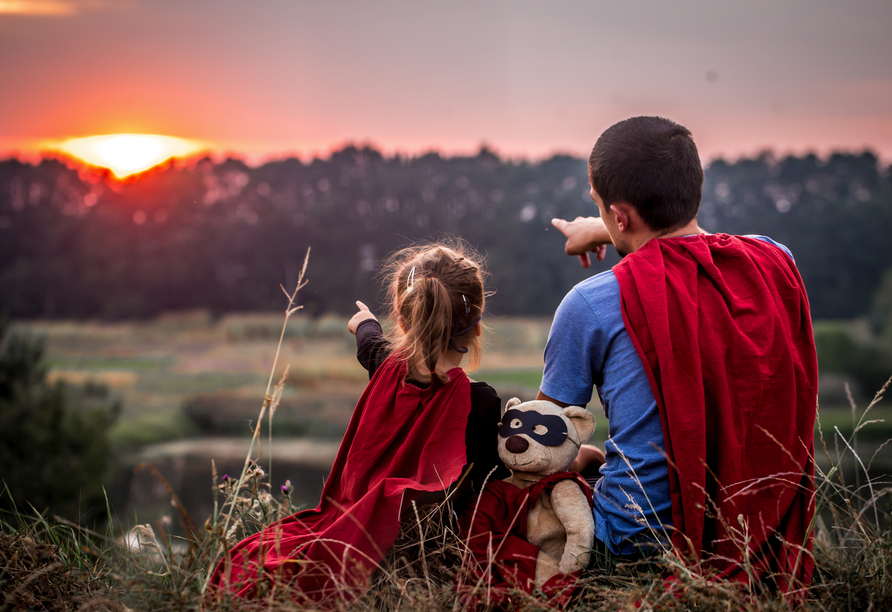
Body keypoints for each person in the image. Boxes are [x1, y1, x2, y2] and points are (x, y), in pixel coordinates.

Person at [540, 116, 818, 593]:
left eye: (600, 208)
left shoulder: (590, 303)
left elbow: (543, 441)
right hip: (761, 533)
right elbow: (688, 245)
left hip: (637, 541)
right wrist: (607, 227)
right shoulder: (776, 262)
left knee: (516, 505)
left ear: (619, 215)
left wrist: (584, 455)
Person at [210, 241, 507, 603]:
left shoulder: (385, 366)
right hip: (432, 548)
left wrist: (363, 321)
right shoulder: (482, 401)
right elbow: (492, 477)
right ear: (476, 328)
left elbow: (369, 341)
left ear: (402, 318)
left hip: (359, 529)